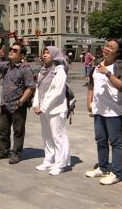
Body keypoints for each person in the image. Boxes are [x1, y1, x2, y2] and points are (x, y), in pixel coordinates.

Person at [85, 39, 122, 185]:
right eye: (106, 46)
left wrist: (107, 73)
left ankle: (116, 173)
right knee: (101, 140)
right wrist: (89, 101)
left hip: (115, 110)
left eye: (111, 47)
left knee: (115, 141)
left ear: (117, 52)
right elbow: (91, 84)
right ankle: (103, 168)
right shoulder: (98, 63)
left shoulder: (120, 65)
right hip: (99, 108)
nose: (107, 48)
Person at [0, 42, 35, 164]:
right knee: (3, 130)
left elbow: (30, 87)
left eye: (15, 50)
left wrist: (21, 101)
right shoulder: (6, 65)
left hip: (18, 105)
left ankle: (16, 153)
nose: (11, 51)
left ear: (22, 55)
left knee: (18, 131)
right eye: (11, 49)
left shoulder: (25, 68)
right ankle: (3, 151)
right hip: (5, 104)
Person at [32, 46, 71, 175]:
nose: (45, 55)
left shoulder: (60, 71)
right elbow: (38, 88)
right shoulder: (42, 70)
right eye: (44, 53)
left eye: (48, 53)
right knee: (47, 135)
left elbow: (57, 92)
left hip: (56, 109)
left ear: (55, 55)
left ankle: (60, 163)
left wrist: (44, 106)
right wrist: (36, 104)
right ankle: (49, 159)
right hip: (43, 109)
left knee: (58, 136)